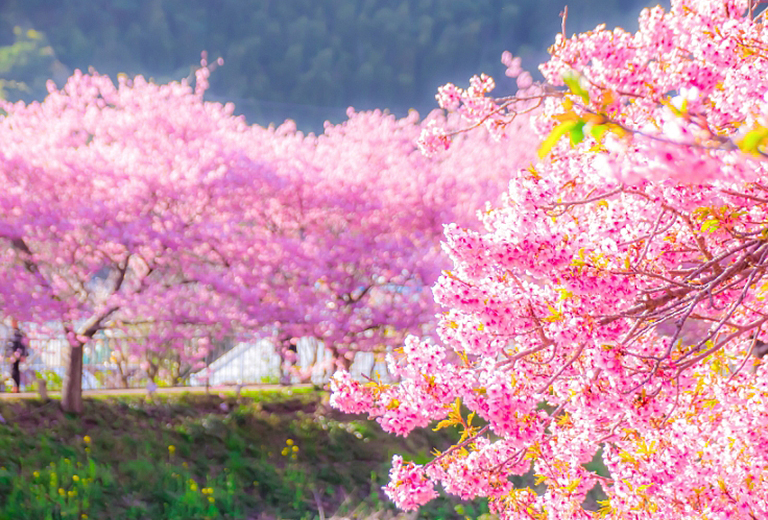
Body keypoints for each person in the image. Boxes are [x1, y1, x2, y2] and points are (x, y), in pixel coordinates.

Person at [5, 319, 28, 393]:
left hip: (18, 354)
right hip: (11, 354)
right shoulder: (10, 332)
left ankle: (16, 386)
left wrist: (22, 354)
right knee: (12, 370)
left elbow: (23, 345)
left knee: (15, 370)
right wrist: (8, 354)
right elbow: (7, 345)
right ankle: (14, 386)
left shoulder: (20, 333)